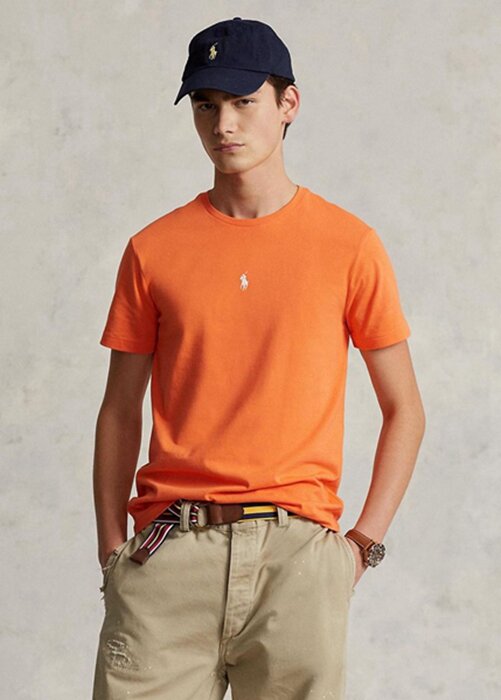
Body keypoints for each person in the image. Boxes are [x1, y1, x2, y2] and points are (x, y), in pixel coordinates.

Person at [91, 16, 425, 700]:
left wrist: (360, 546)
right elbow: (120, 410)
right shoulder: (153, 250)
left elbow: (405, 409)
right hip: (169, 555)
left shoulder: (348, 246)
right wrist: (111, 552)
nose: (223, 125)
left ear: (287, 104)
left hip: (296, 560)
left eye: (243, 101)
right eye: (206, 104)